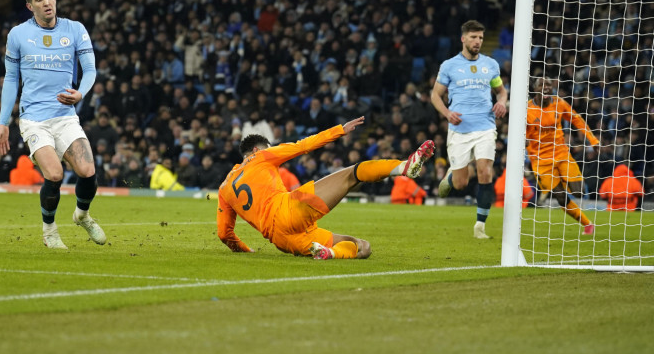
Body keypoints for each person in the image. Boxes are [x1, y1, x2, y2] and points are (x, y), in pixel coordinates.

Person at [215, 117, 435, 259]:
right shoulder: (261, 156)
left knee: (362, 247)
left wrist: (246, 250)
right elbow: (303, 146)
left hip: (283, 240)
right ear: (256, 149)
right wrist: (339, 130)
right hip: (289, 211)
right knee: (352, 174)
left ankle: (330, 253)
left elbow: (224, 234)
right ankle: (404, 167)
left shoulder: (224, 187)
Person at [0, 0, 106, 249]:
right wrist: (3, 122)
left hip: (65, 116)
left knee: (87, 170)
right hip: (34, 119)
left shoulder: (75, 29)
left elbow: (90, 70)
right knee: (54, 175)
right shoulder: (18, 34)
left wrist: (80, 93)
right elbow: (11, 79)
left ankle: (82, 215)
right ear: (30, 6)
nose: (46, 3)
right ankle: (49, 230)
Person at [431, 20, 507, 239]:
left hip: (485, 126)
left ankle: (480, 226)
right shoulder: (449, 66)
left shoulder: (490, 65)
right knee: (460, 183)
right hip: (460, 128)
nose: (478, 41)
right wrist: (447, 114)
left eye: (481, 38)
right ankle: (450, 177)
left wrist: (502, 102)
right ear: (463, 39)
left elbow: (501, 91)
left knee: (485, 171)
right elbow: (435, 95)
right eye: (474, 37)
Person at [525, 76, 598, 235]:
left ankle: (561, 180)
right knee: (561, 197)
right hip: (540, 160)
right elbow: (521, 134)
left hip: (561, 154)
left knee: (579, 192)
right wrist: (523, 141)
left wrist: (593, 139)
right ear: (535, 89)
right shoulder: (527, 109)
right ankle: (587, 224)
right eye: (542, 85)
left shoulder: (559, 103)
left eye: (549, 84)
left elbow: (577, 120)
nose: (546, 87)